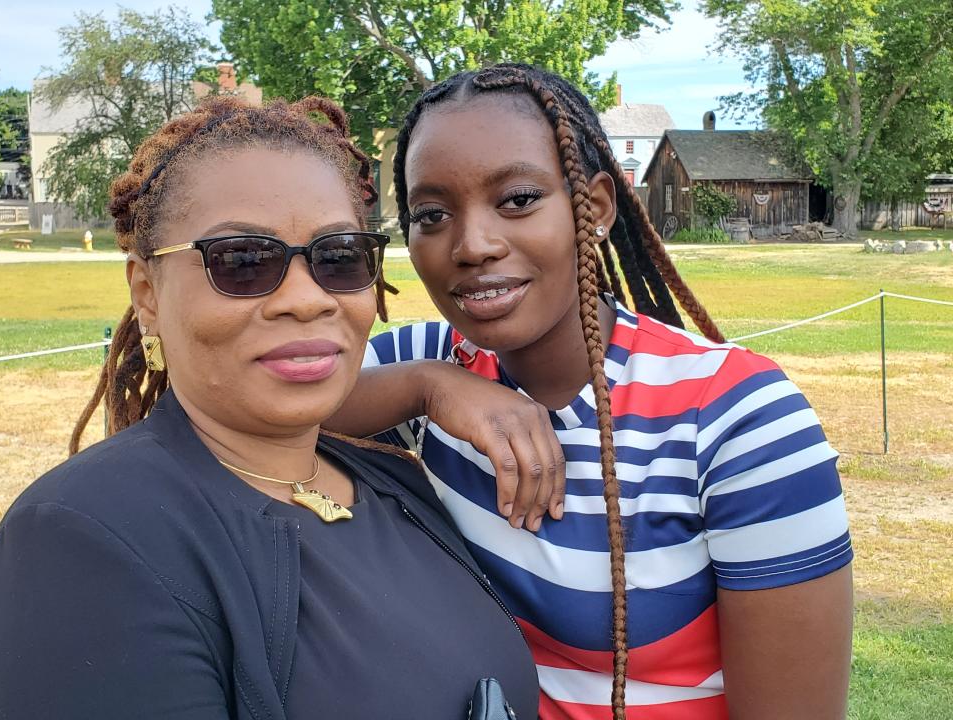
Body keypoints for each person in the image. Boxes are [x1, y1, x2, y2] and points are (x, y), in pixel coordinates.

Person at [326, 64, 854, 720]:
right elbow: (269, 413)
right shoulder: (430, 363)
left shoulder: (737, 421)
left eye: (517, 199)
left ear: (595, 207)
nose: (472, 244)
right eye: (431, 213)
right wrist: (430, 388)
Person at [0, 96, 539, 720]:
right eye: (243, 262)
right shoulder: (84, 536)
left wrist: (427, 384)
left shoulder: (391, 473)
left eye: (339, 258)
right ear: (148, 294)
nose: (306, 300)